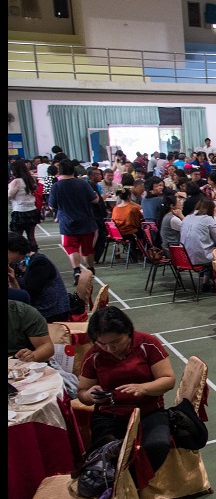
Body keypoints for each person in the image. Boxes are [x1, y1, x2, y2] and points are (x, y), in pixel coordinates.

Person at [77, 307, 176, 472]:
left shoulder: (147, 344)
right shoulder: (93, 355)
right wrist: (90, 395)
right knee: (104, 453)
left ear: (128, 332)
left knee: (157, 445)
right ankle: (116, 484)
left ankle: (134, 484)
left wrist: (143, 388)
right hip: (109, 414)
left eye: (115, 342)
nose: (109, 348)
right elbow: (82, 393)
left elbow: (168, 380)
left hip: (149, 411)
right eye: (102, 343)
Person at [49, 158, 100, 278]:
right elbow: (95, 200)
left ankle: (76, 270)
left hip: (67, 223)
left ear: (60, 171)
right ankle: (90, 269)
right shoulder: (82, 183)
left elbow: (52, 206)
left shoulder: (56, 187)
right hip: (86, 222)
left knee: (72, 248)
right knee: (87, 249)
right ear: (73, 170)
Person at [8, 232, 70, 323]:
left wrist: (13, 280)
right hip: (34, 307)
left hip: (51, 311)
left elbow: (29, 295)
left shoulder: (40, 263)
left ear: (17, 251)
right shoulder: (16, 263)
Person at [9, 159, 41, 248]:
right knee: (31, 237)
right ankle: (33, 255)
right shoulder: (30, 179)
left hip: (20, 211)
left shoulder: (16, 181)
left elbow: (9, 195)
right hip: (32, 210)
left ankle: (19, 256)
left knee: (17, 237)